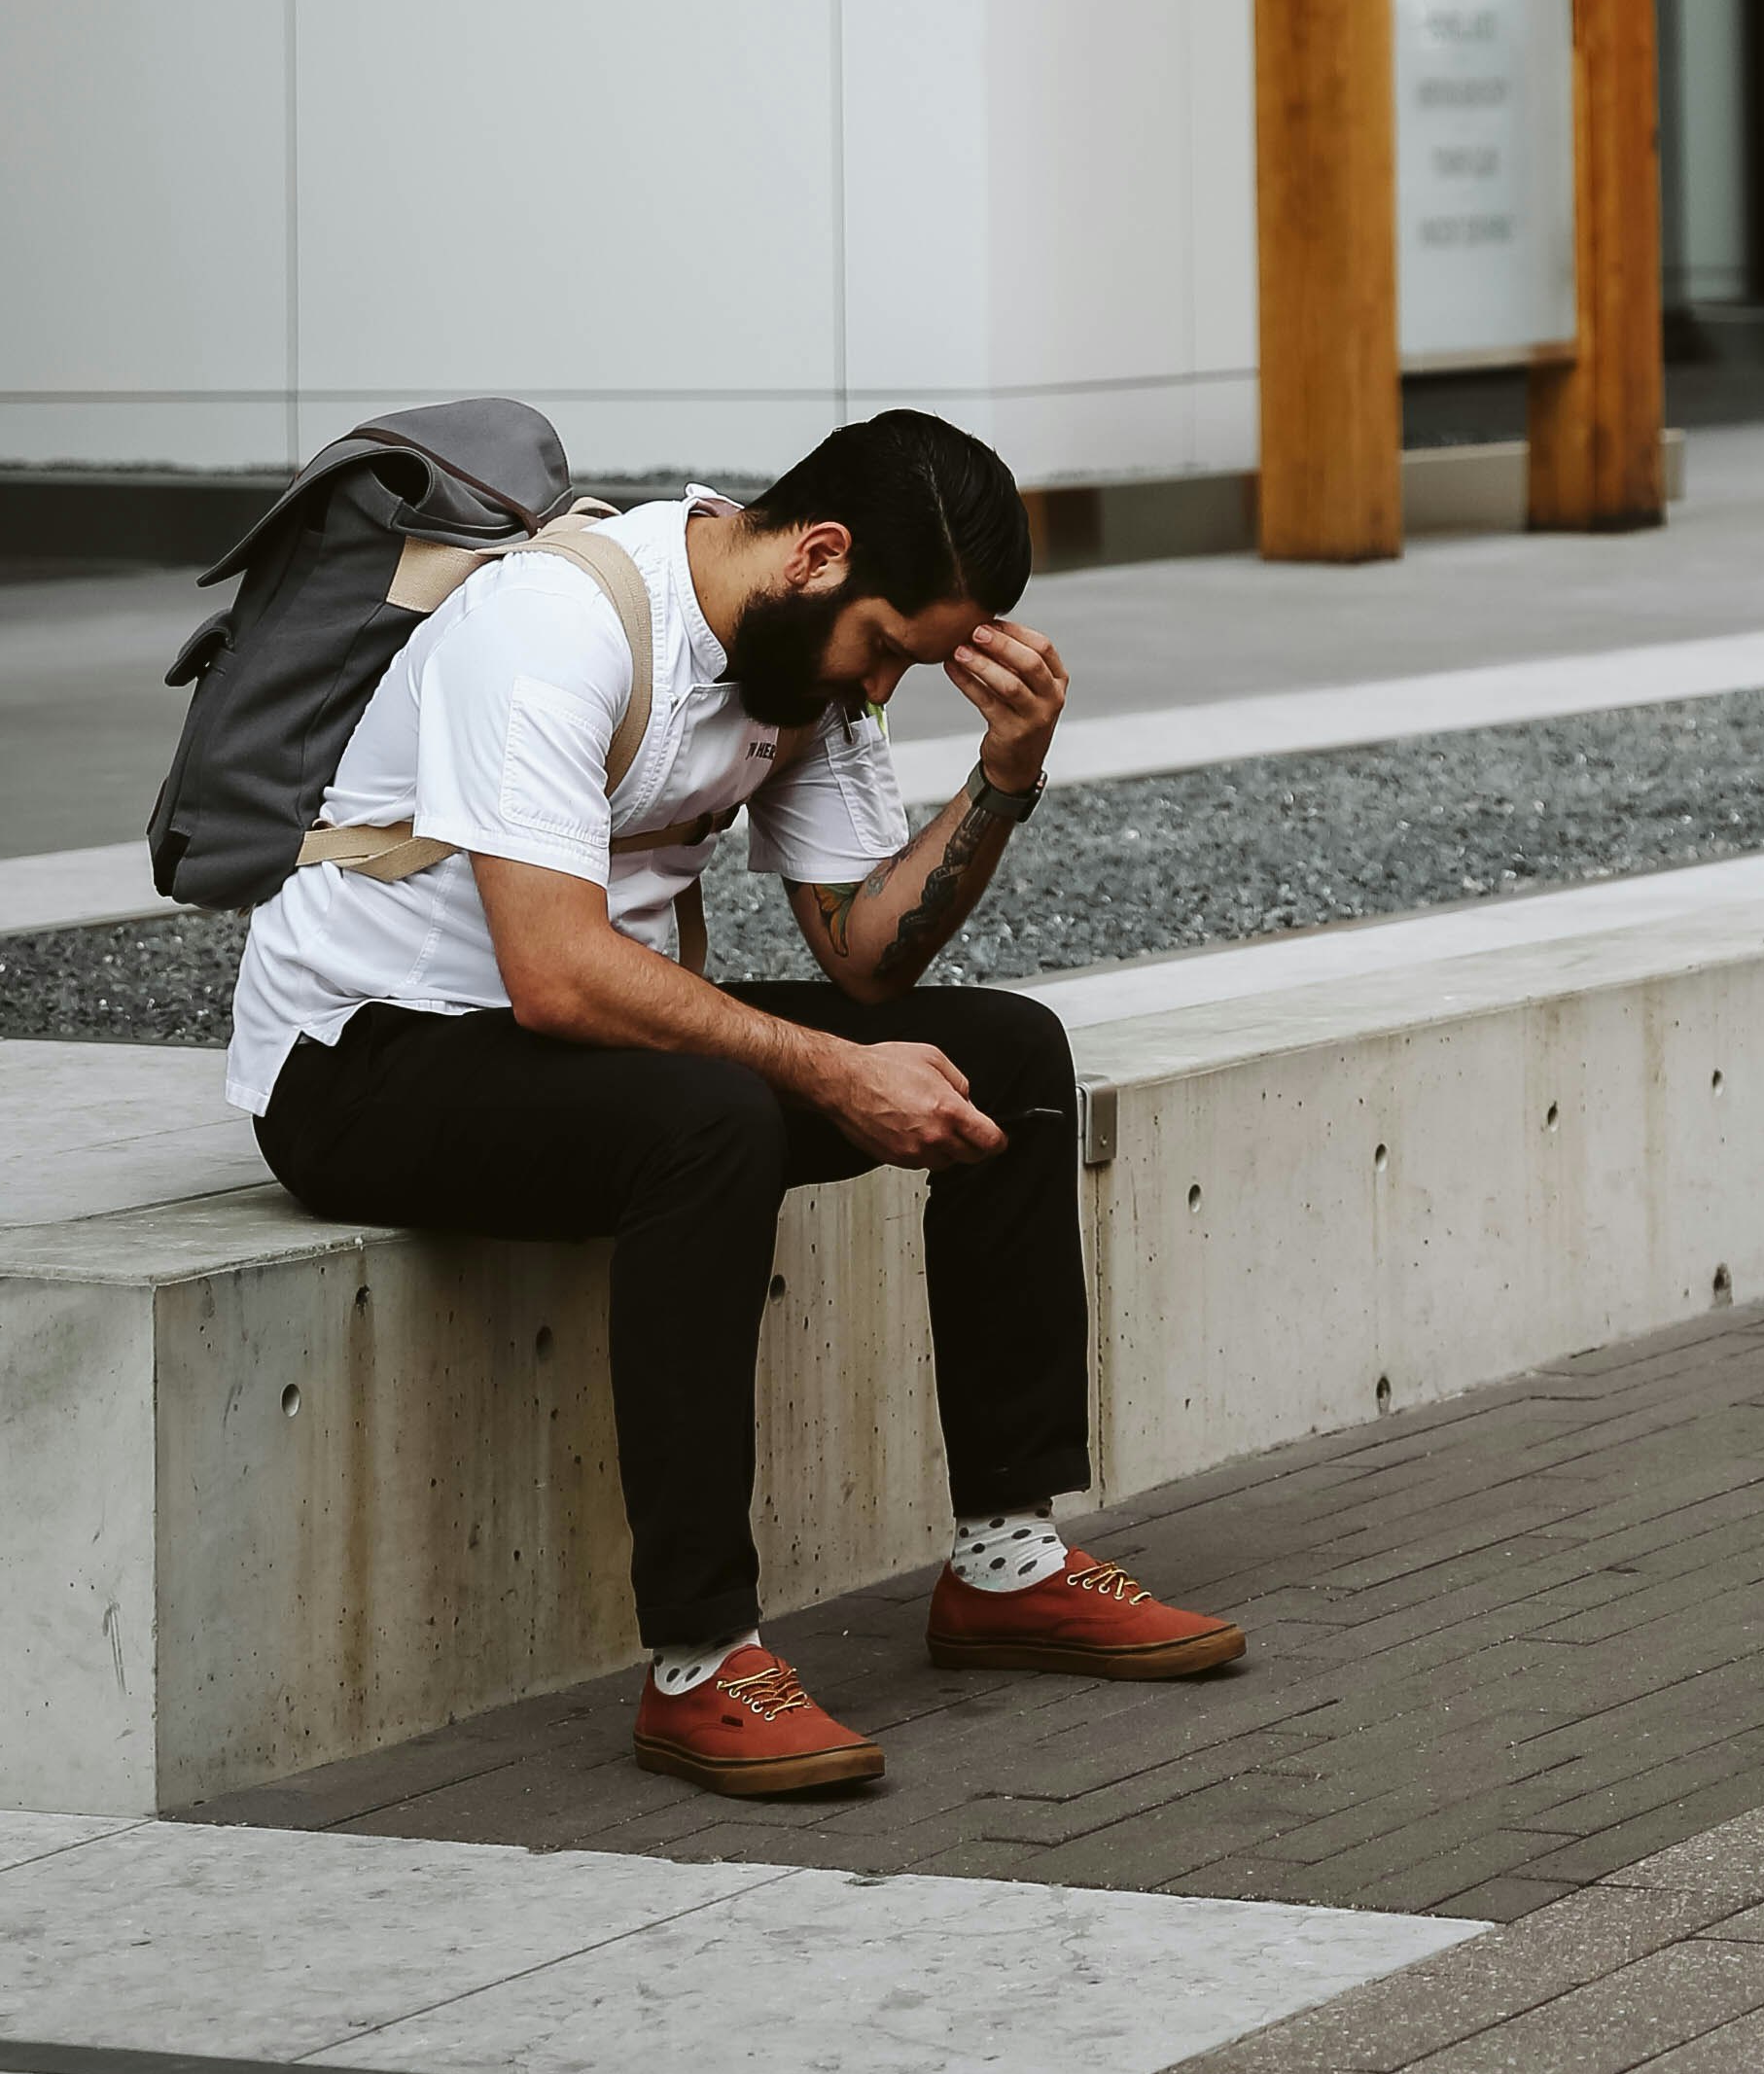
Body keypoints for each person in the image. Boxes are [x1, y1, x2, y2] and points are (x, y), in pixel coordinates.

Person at [231, 404, 1241, 1792]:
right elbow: (555, 976)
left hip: (570, 1047)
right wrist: (827, 1071)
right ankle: (700, 1661)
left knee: (1007, 1053)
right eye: (888, 648)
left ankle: (1008, 1562)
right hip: (364, 1063)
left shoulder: (801, 673)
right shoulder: (556, 626)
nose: (883, 685)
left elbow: (866, 958)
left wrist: (1005, 777)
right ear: (816, 555)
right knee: (718, 1118)